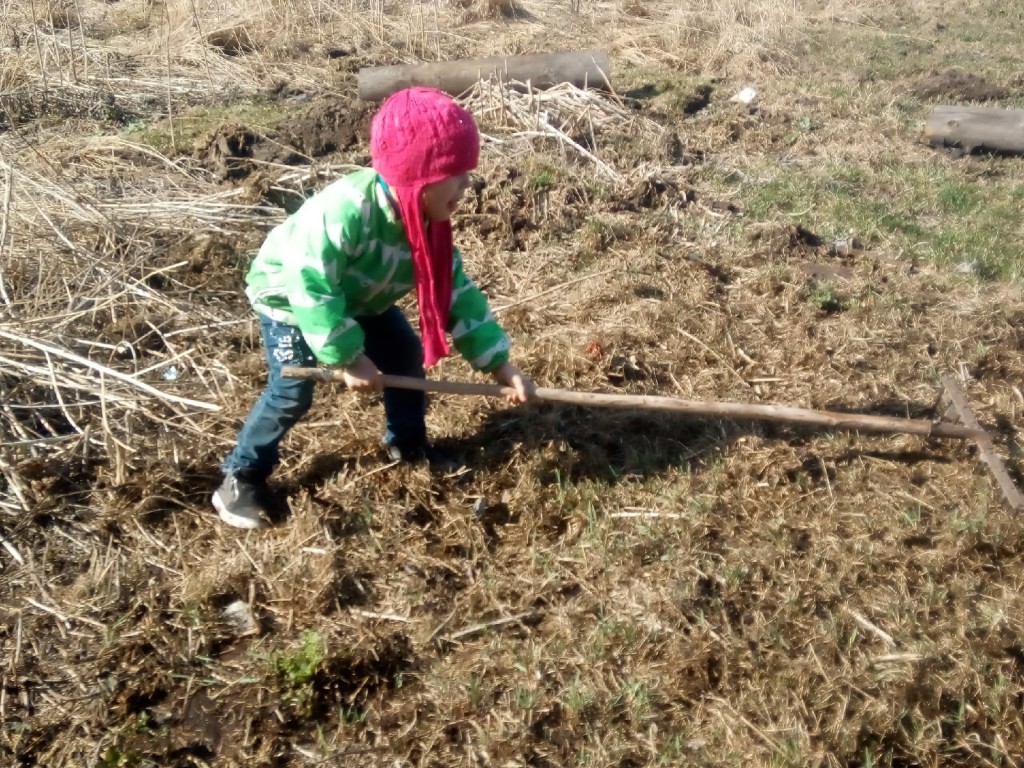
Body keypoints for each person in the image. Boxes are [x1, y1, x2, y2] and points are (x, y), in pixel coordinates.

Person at [212, 87, 534, 530]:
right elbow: (310, 283)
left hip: (359, 297)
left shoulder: (429, 225)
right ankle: (242, 476)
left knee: (404, 356)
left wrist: (501, 366)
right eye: (456, 172)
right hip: (290, 297)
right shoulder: (346, 211)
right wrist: (349, 356)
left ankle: (408, 444)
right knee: (291, 390)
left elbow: (455, 294)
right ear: (419, 178)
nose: (467, 183)